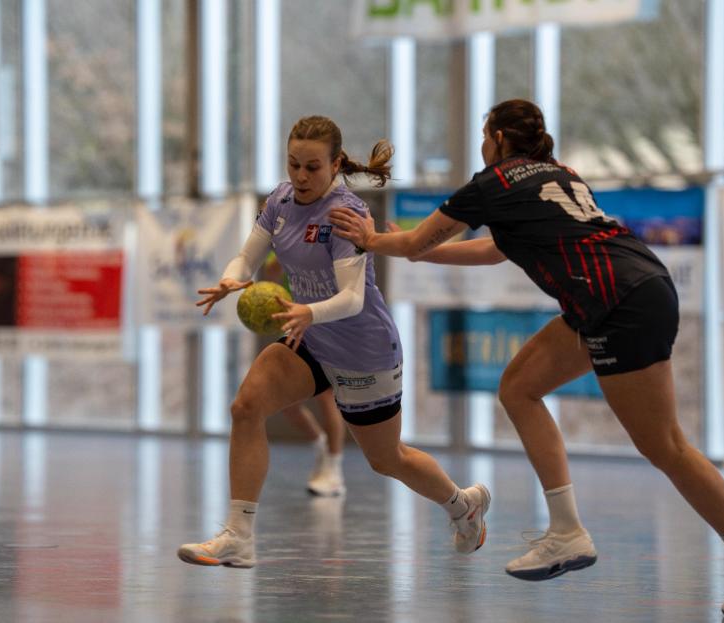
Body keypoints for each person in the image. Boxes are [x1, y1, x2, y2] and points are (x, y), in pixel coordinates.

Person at [329, 99, 724, 620]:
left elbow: (416, 240)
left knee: (665, 446)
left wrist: (373, 239)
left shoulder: (493, 182)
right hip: (631, 287)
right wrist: (409, 247)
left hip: (617, 300)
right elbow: (493, 251)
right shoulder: (558, 173)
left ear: (498, 138)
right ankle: (566, 528)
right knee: (519, 388)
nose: (481, 145)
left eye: (484, 135)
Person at [177, 115, 490, 568]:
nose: (301, 176)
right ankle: (238, 536)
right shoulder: (280, 201)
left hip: (363, 349)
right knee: (246, 406)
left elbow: (351, 299)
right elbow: (247, 256)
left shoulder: (347, 215)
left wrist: (308, 311)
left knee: (387, 459)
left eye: (312, 167)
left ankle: (463, 505)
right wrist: (231, 279)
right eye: (293, 164)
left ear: (336, 164)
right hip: (311, 338)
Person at [261, 254, 346, 497]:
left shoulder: (326, 243)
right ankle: (321, 445)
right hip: (298, 328)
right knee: (287, 403)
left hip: (329, 326)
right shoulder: (283, 243)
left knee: (326, 397)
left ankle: (334, 469)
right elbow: (271, 275)